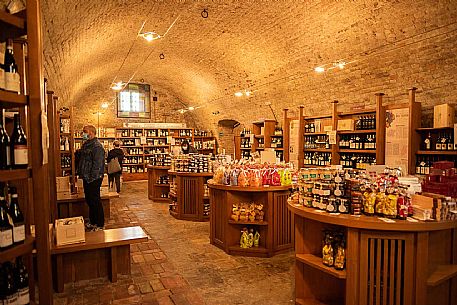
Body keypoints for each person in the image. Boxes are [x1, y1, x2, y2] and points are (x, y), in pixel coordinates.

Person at [77, 125, 105, 230]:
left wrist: (91, 178)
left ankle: (100, 224)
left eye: (85, 131)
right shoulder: (86, 144)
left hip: (94, 178)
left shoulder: (97, 146)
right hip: (86, 176)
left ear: (91, 133)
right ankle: (93, 221)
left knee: (95, 200)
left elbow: (97, 165)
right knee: (89, 200)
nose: (83, 133)